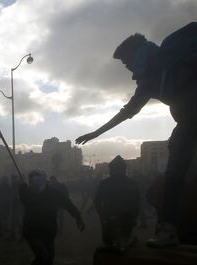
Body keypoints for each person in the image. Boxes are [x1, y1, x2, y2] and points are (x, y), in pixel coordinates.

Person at [76, 23, 197, 247]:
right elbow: (128, 112)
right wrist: (95, 133)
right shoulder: (160, 64)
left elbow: (126, 112)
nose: (127, 67)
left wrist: (95, 133)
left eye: (125, 62)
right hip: (189, 120)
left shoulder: (155, 72)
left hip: (192, 117)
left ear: (136, 52)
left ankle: (167, 229)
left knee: (175, 170)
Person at [20, 170, 85, 265]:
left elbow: (67, 203)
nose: (38, 182)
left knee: (49, 263)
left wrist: (78, 217)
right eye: (34, 180)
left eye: (40, 179)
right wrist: (23, 190)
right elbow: (26, 201)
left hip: (49, 233)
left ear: (45, 179)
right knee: (43, 257)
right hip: (32, 232)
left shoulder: (54, 193)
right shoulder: (28, 193)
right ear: (30, 182)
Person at [94, 156, 141, 252]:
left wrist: (102, 215)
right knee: (123, 244)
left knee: (110, 245)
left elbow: (97, 201)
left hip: (112, 217)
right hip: (122, 217)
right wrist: (134, 217)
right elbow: (137, 203)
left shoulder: (105, 183)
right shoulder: (131, 183)